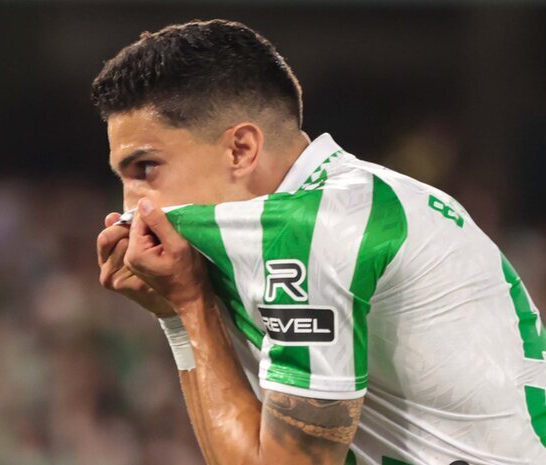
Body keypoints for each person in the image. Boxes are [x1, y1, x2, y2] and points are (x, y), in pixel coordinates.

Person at [91, 19, 545, 465]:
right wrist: (178, 312)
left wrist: (190, 308)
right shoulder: (350, 201)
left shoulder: (314, 229)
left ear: (241, 150)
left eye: (146, 169)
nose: (131, 207)